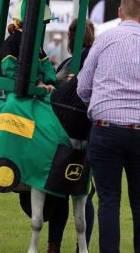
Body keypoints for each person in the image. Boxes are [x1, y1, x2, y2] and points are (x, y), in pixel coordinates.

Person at [77, 0, 140, 252]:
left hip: (106, 130)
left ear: (119, 12)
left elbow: (83, 87)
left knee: (108, 200)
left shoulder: (104, 41)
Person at [46, 18, 96, 253]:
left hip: (64, 136)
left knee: (60, 192)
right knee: (83, 192)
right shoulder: (96, 59)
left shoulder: (69, 62)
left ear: (70, 37)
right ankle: (81, 247)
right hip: (88, 134)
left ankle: (53, 246)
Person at [0, 0, 57, 93]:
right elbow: (10, 68)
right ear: (31, 22)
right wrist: (36, 83)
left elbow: (46, 65)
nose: (43, 26)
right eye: (42, 22)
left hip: (38, 90)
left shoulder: (35, 43)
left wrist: (50, 82)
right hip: (19, 93)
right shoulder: (12, 41)